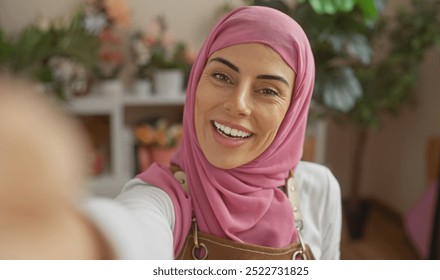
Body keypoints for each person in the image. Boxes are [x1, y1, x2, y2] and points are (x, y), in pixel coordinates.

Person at [0, 6, 341, 260]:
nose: (238, 104)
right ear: (196, 82)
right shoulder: (161, 198)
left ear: (294, 109)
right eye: (222, 77)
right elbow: (133, 232)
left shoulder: (319, 189)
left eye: (267, 90)